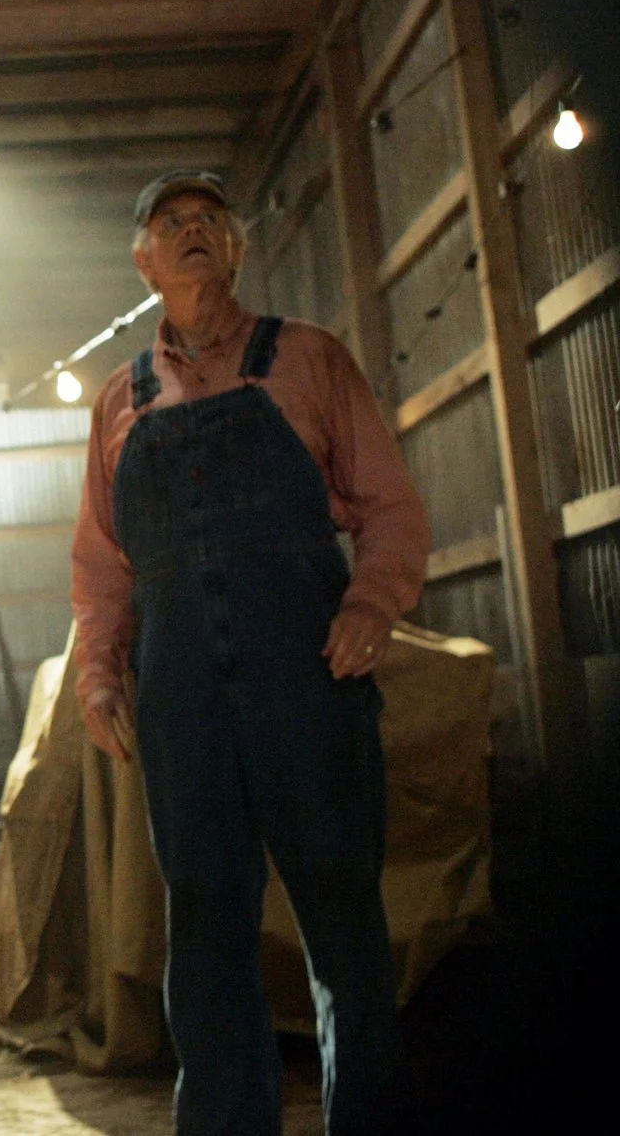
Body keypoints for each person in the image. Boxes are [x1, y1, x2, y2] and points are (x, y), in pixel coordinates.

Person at [70, 171, 432, 1134]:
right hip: (179, 681)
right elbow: (102, 564)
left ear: (234, 247)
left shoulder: (308, 357)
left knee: (339, 906)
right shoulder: (118, 400)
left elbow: (391, 510)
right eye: (170, 223)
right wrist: (100, 673)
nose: (192, 231)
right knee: (204, 916)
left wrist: (371, 603)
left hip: (304, 663)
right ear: (143, 262)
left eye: (208, 220)